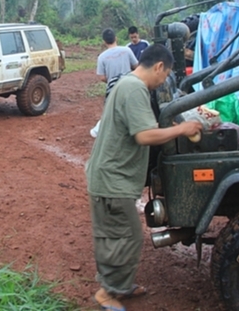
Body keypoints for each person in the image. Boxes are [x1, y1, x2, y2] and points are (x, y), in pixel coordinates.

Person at [85, 44, 203, 310]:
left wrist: (170, 127)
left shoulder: (128, 84)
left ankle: (120, 285)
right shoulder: (135, 89)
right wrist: (182, 129)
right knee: (124, 236)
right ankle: (108, 293)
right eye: (165, 75)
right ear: (159, 67)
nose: (163, 81)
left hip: (113, 177)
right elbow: (144, 135)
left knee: (119, 235)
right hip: (112, 181)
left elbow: (143, 126)